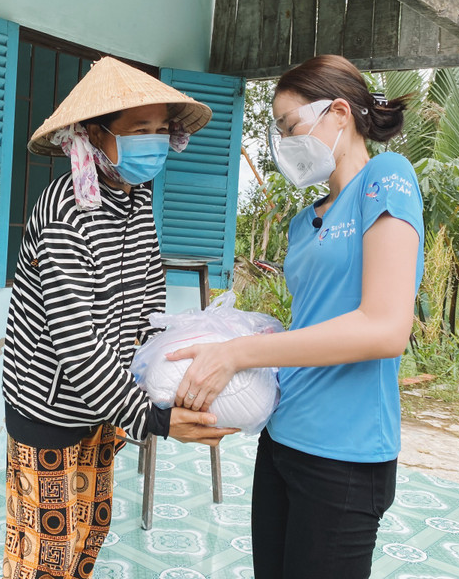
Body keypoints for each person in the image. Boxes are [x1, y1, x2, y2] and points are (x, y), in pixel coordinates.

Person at [171, 54, 424, 579]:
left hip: (345, 452)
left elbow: (384, 328)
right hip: (282, 439)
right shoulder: (303, 222)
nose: (284, 143)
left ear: (339, 113)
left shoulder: (386, 178)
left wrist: (238, 353)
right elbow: (314, 325)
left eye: (289, 126)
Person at [1, 56, 237, 579]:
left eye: (160, 130)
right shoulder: (65, 211)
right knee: (46, 552)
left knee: (89, 532)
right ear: (94, 135)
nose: (153, 142)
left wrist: (166, 377)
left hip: (105, 404)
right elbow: (76, 343)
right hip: (48, 407)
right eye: (138, 130)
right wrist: (154, 418)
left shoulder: (135, 200)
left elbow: (149, 304)